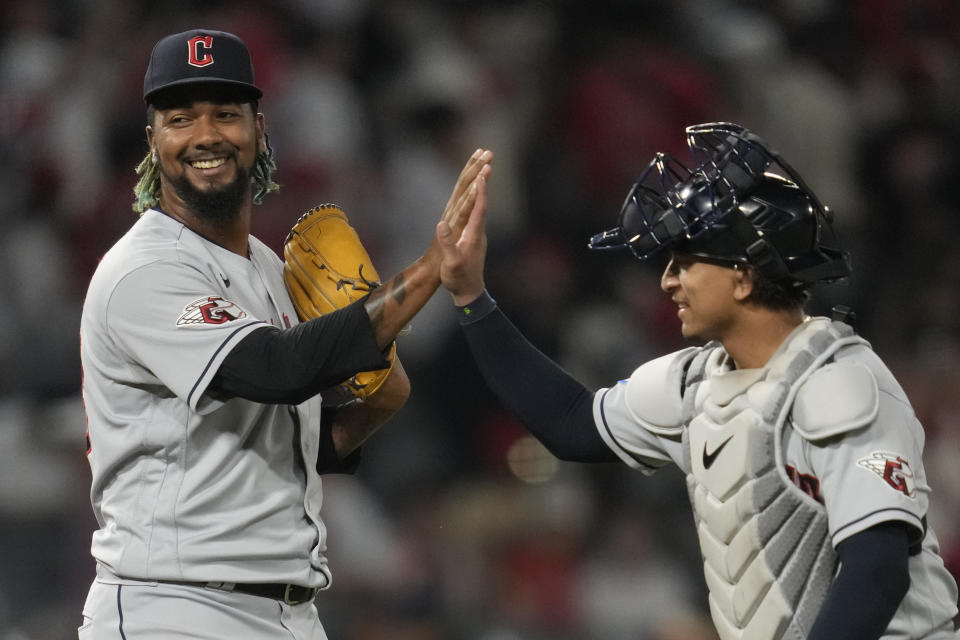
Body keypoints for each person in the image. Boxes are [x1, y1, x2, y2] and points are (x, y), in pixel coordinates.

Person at [437, 122, 960, 639]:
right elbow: (570, 424)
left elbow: (877, 569)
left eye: (685, 262)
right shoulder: (693, 384)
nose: (667, 280)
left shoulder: (838, 381)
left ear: (745, 275)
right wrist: (471, 296)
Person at [78, 29, 492, 639]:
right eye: (180, 118)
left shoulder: (269, 270)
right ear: (152, 140)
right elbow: (276, 370)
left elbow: (279, 443)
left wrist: (368, 410)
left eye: (226, 114)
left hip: (286, 611)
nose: (206, 135)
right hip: (171, 611)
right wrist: (431, 268)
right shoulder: (144, 268)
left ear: (259, 130)